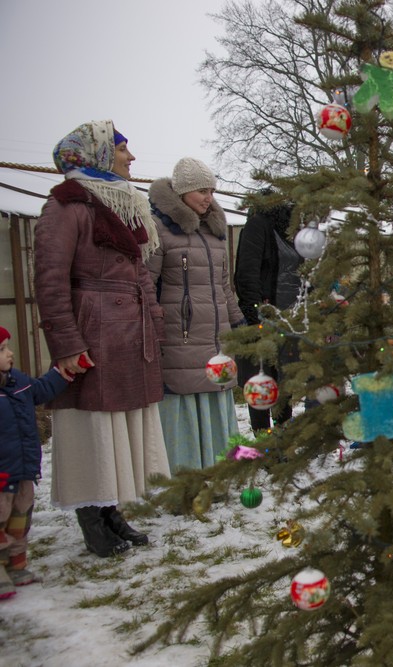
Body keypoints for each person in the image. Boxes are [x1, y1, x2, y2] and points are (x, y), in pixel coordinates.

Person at [34, 120, 169, 557]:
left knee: (118, 429)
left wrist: (155, 317)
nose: (131, 158)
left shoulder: (124, 204)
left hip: (129, 332)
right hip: (92, 333)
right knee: (93, 428)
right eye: (123, 150)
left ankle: (113, 513)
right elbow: (50, 281)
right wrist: (68, 345)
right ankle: (93, 520)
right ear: (97, 154)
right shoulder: (66, 205)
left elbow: (139, 274)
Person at [147, 158, 245, 471]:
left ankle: (219, 472)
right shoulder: (157, 228)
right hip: (180, 337)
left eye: (212, 190)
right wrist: (154, 328)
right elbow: (146, 285)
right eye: (202, 190)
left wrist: (239, 323)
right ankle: (183, 477)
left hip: (216, 337)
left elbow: (223, 286)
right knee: (183, 402)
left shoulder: (215, 231)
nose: (209, 197)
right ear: (182, 191)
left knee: (216, 400)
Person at [0, 326, 71, 597]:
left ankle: (17, 565)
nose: (10, 354)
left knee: (20, 519)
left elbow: (40, 390)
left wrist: (61, 373)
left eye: (7, 347)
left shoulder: (17, 381)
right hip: (1, 475)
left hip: (23, 471)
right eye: (2, 350)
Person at [233, 196, 303, 431]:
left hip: (289, 317)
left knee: (285, 381)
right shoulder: (258, 225)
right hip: (263, 316)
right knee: (262, 379)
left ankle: (284, 435)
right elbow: (246, 273)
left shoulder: (294, 232)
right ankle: (264, 441)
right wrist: (255, 314)